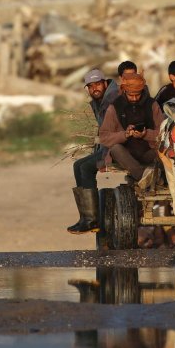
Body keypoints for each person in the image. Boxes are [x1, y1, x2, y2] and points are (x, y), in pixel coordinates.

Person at [69, 68, 120, 234]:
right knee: (78, 165)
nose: (94, 89)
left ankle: (91, 220)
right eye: (90, 86)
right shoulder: (100, 100)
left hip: (118, 148)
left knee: (84, 167)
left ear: (105, 83)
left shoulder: (113, 99)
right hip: (107, 147)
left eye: (97, 84)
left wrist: (105, 152)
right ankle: (86, 218)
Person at [99, 73, 164, 185]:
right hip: (127, 155)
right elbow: (104, 137)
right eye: (131, 95)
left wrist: (145, 134)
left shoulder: (152, 105)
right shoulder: (114, 107)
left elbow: (163, 133)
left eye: (137, 95)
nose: (134, 98)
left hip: (149, 151)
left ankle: (155, 177)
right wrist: (125, 134)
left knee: (166, 150)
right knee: (115, 149)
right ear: (124, 91)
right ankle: (144, 176)